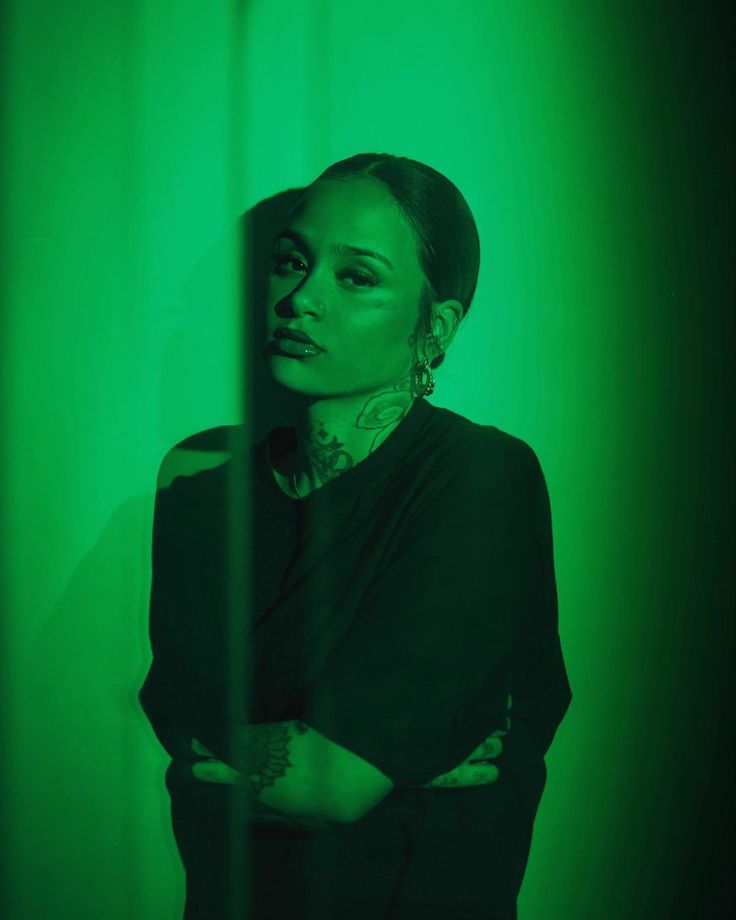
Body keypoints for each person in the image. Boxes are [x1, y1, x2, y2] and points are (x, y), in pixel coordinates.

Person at [138, 152, 573, 919]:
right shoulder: (196, 485)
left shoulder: (481, 478)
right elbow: (185, 740)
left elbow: (325, 784)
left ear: (433, 326)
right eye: (290, 262)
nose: (300, 299)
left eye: (357, 276)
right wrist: (409, 767)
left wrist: (245, 759)